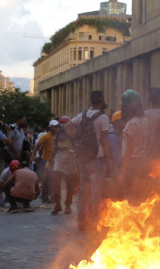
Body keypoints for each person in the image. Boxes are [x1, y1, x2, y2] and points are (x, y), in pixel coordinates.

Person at [65, 90, 113, 230]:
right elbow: (104, 141)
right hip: (97, 159)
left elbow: (67, 126)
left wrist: (75, 140)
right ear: (101, 101)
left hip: (83, 158)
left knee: (84, 190)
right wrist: (109, 160)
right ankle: (95, 222)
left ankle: (81, 221)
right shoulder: (103, 117)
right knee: (96, 191)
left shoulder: (83, 115)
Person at [119, 90, 149, 204]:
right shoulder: (145, 121)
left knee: (131, 196)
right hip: (143, 162)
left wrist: (122, 172)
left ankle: (132, 220)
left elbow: (128, 150)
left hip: (132, 164)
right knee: (141, 195)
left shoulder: (131, 124)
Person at [49, 116, 78, 215]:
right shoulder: (58, 135)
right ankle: (57, 205)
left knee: (69, 185)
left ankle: (68, 206)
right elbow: (55, 149)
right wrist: (50, 162)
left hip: (71, 161)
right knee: (55, 183)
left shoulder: (74, 134)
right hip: (59, 160)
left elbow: (78, 148)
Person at [30, 120, 59, 204]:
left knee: (51, 178)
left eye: (57, 126)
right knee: (48, 178)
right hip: (46, 160)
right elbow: (37, 145)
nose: (56, 128)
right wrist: (33, 156)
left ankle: (46, 195)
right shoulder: (45, 136)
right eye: (55, 126)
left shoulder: (58, 136)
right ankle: (48, 196)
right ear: (50, 127)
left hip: (55, 161)